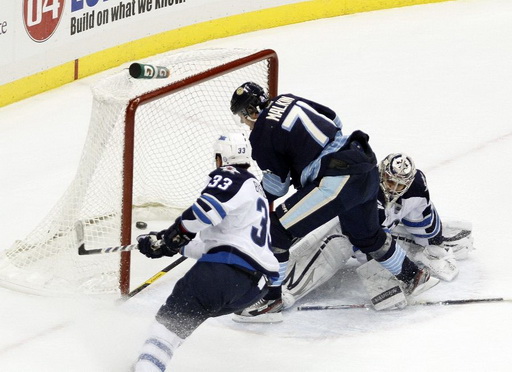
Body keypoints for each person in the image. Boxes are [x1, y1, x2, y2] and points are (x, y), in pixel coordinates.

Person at [229, 82, 438, 322]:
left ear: (249, 112)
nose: (244, 123)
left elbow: (278, 186)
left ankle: (271, 299)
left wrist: (250, 201)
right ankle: (414, 276)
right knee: (366, 236)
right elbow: (335, 120)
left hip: (337, 178)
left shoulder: (261, 135)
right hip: (365, 163)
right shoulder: (287, 99)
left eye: (242, 117)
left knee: (277, 231)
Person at [131, 132, 279, 371]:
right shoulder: (255, 190)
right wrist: (173, 245)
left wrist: (173, 235)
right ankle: (150, 364)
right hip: (252, 288)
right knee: (177, 328)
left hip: (225, 273)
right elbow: (219, 246)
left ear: (221, 157)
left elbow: (203, 212)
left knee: (166, 327)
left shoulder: (231, 176)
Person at [279, 153, 474, 311]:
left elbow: (424, 215)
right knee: (337, 239)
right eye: (390, 182)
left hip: (375, 231)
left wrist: (433, 243)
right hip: (337, 226)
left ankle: (449, 243)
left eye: (399, 185)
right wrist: (382, 273)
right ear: (381, 173)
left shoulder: (415, 187)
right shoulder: (363, 188)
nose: (394, 189)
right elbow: (361, 237)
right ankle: (288, 287)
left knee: (407, 237)